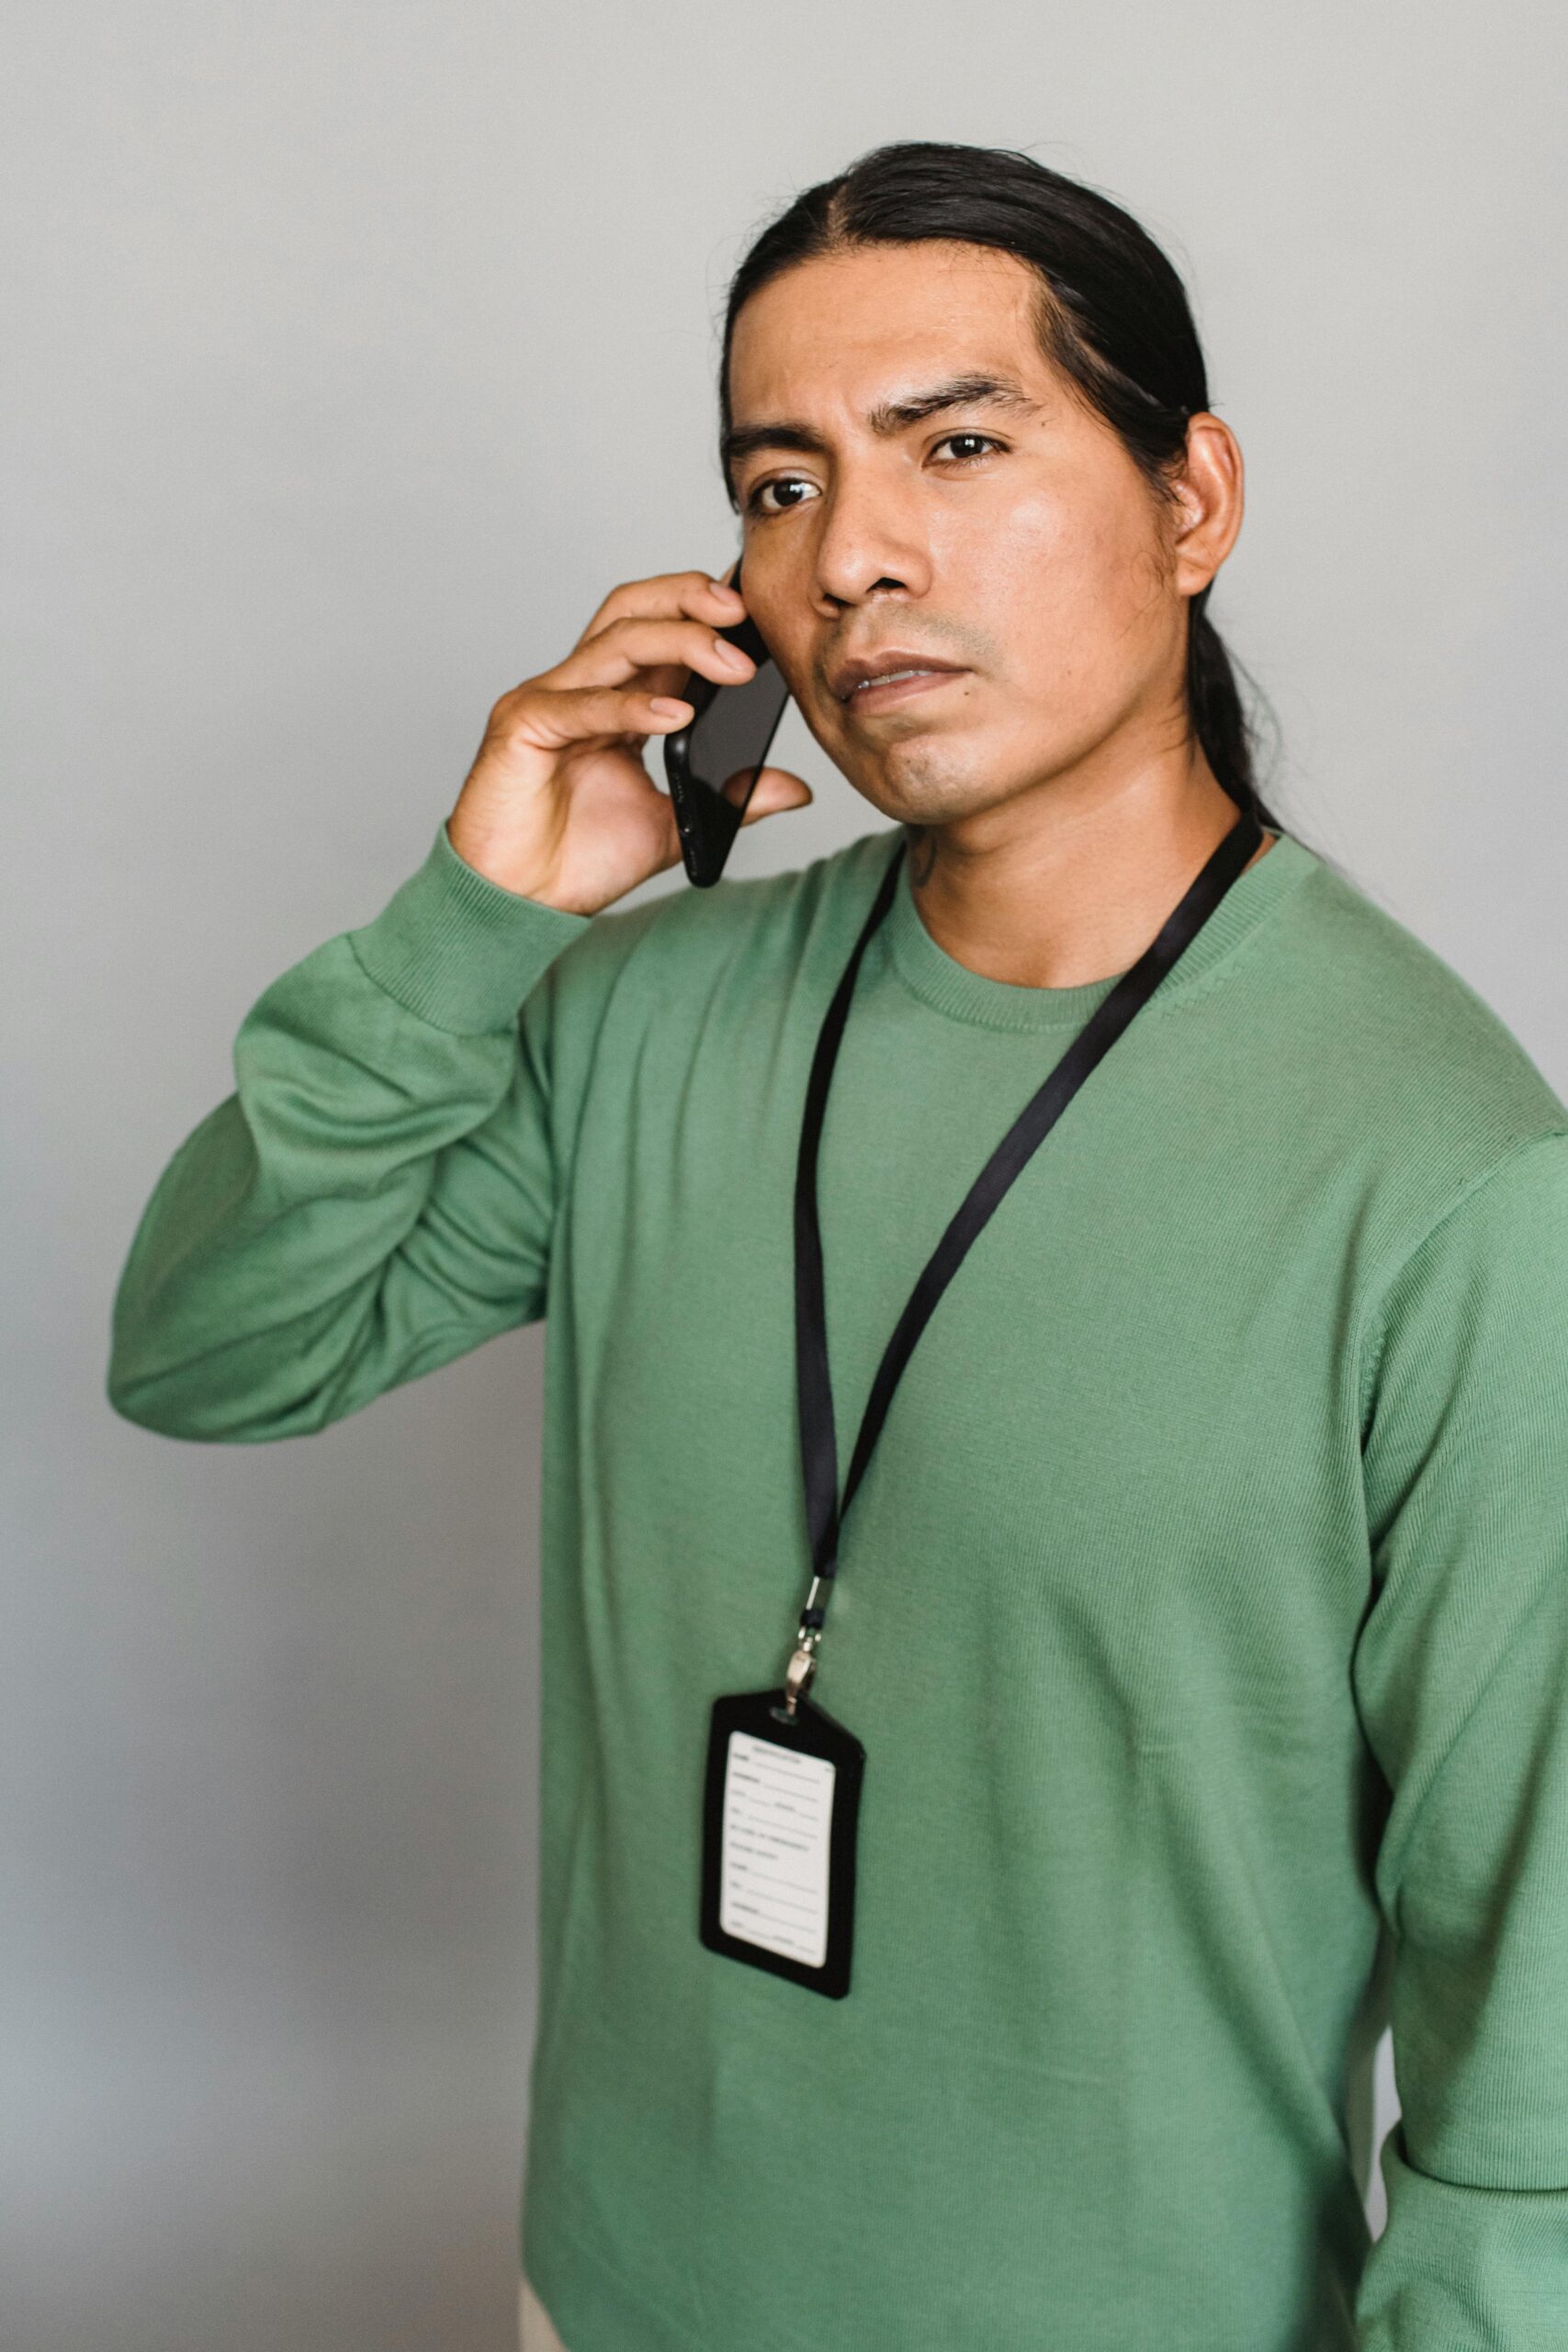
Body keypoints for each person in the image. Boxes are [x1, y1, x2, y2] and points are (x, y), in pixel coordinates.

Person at [107, 141, 1568, 2352]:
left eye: (956, 445)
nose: (856, 557)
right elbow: (207, 1349)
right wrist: (471, 922)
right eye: (775, 486)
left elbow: (1533, 2074)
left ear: (1191, 503)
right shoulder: (640, 1013)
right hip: (602, 2287)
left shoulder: (1452, 1186)